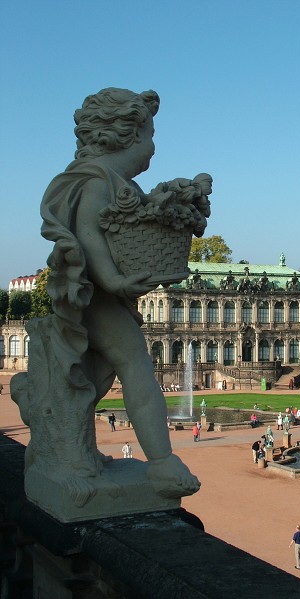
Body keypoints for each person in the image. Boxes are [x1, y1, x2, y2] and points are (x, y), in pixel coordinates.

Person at [34, 87, 205, 498]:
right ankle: (162, 463)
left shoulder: (113, 183)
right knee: (135, 364)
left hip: (104, 294)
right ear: (127, 135)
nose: (153, 147)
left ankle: (71, 451)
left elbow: (131, 225)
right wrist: (113, 280)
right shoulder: (98, 180)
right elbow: (89, 235)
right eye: (150, 136)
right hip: (96, 295)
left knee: (96, 376)